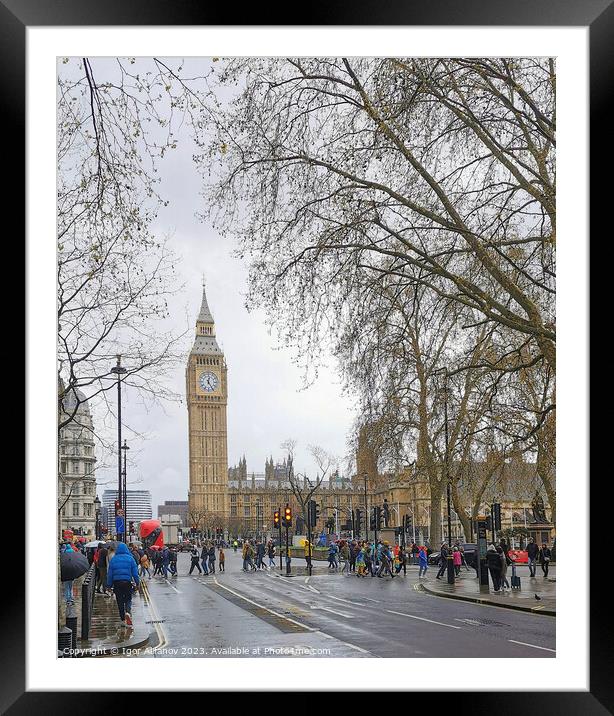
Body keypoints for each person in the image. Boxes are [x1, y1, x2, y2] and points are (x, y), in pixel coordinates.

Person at [106, 542, 140, 627]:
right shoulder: (130, 558)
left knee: (120, 601)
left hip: (117, 583)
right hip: (127, 582)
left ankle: (122, 619)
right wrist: (137, 583)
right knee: (128, 599)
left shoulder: (114, 559)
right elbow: (135, 573)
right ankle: (128, 612)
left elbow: (110, 574)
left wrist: (109, 586)